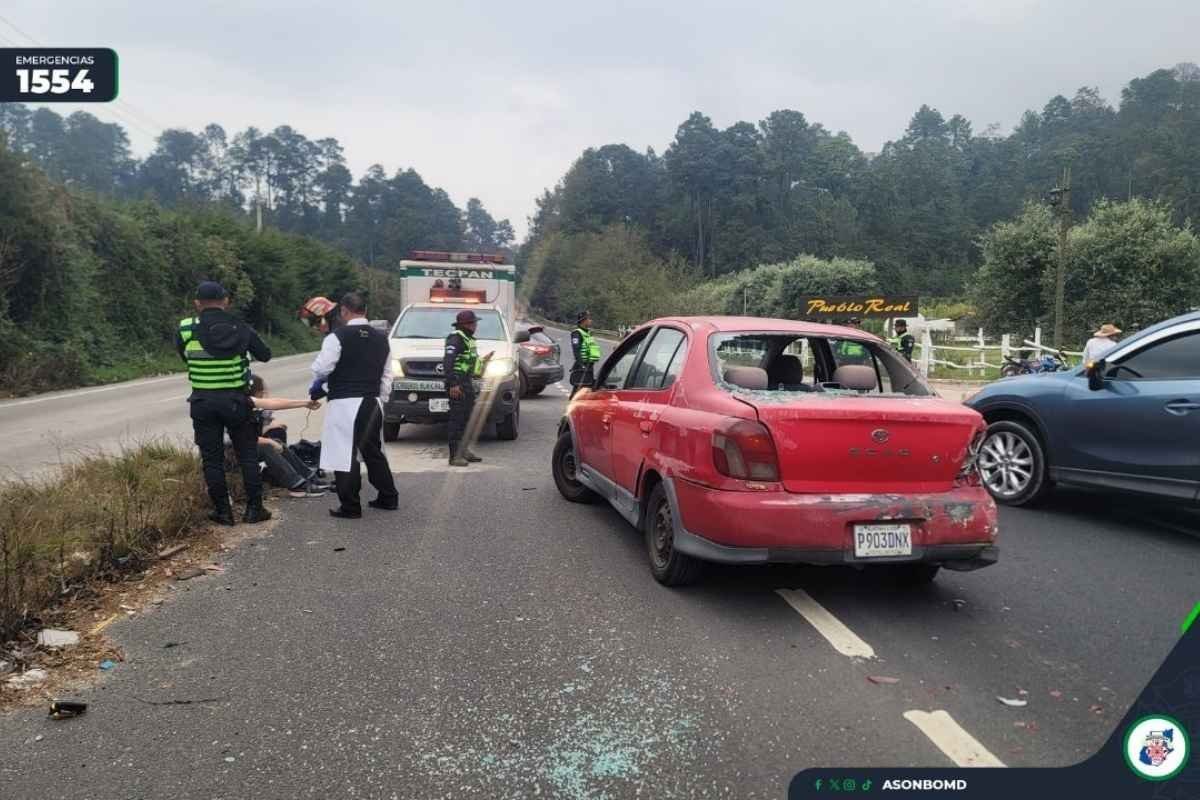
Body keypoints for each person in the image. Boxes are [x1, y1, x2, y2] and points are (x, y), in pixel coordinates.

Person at [175, 281, 272, 526]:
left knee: (212, 459)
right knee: (247, 455)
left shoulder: (186, 328)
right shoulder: (241, 328)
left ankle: (223, 512)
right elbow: (265, 355)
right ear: (226, 301)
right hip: (236, 401)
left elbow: (183, 355)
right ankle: (254, 509)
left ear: (197, 303)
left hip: (203, 401)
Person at [310, 292, 399, 519]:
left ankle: (350, 506)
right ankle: (388, 496)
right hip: (372, 401)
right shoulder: (382, 338)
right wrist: (381, 399)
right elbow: (387, 375)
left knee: (344, 453)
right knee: (373, 450)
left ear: (344, 311)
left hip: (345, 403)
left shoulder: (337, 336)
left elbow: (322, 368)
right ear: (365, 311)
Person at [247, 376, 328, 498]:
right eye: (262, 391)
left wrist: (305, 403)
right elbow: (242, 439)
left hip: (243, 445)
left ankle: (308, 477)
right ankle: (296, 485)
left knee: (277, 441)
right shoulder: (235, 406)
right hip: (231, 451)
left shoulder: (246, 401)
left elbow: (276, 403)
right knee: (267, 446)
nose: (265, 393)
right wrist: (270, 442)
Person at [443, 309, 493, 467]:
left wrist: (484, 362)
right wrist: (453, 384)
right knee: (456, 420)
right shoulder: (455, 338)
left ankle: (464, 451)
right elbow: (448, 363)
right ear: (466, 324)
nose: (476, 325)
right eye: (474, 322)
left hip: (467, 383)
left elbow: (472, 366)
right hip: (457, 384)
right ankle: (454, 456)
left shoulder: (469, 340)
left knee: (467, 420)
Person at [569, 311, 602, 399]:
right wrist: (581, 365)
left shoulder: (588, 333)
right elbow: (576, 350)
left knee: (587, 387)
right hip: (582, 365)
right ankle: (571, 406)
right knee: (578, 388)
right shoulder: (577, 333)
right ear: (584, 320)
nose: (591, 321)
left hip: (589, 364)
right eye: (589, 319)